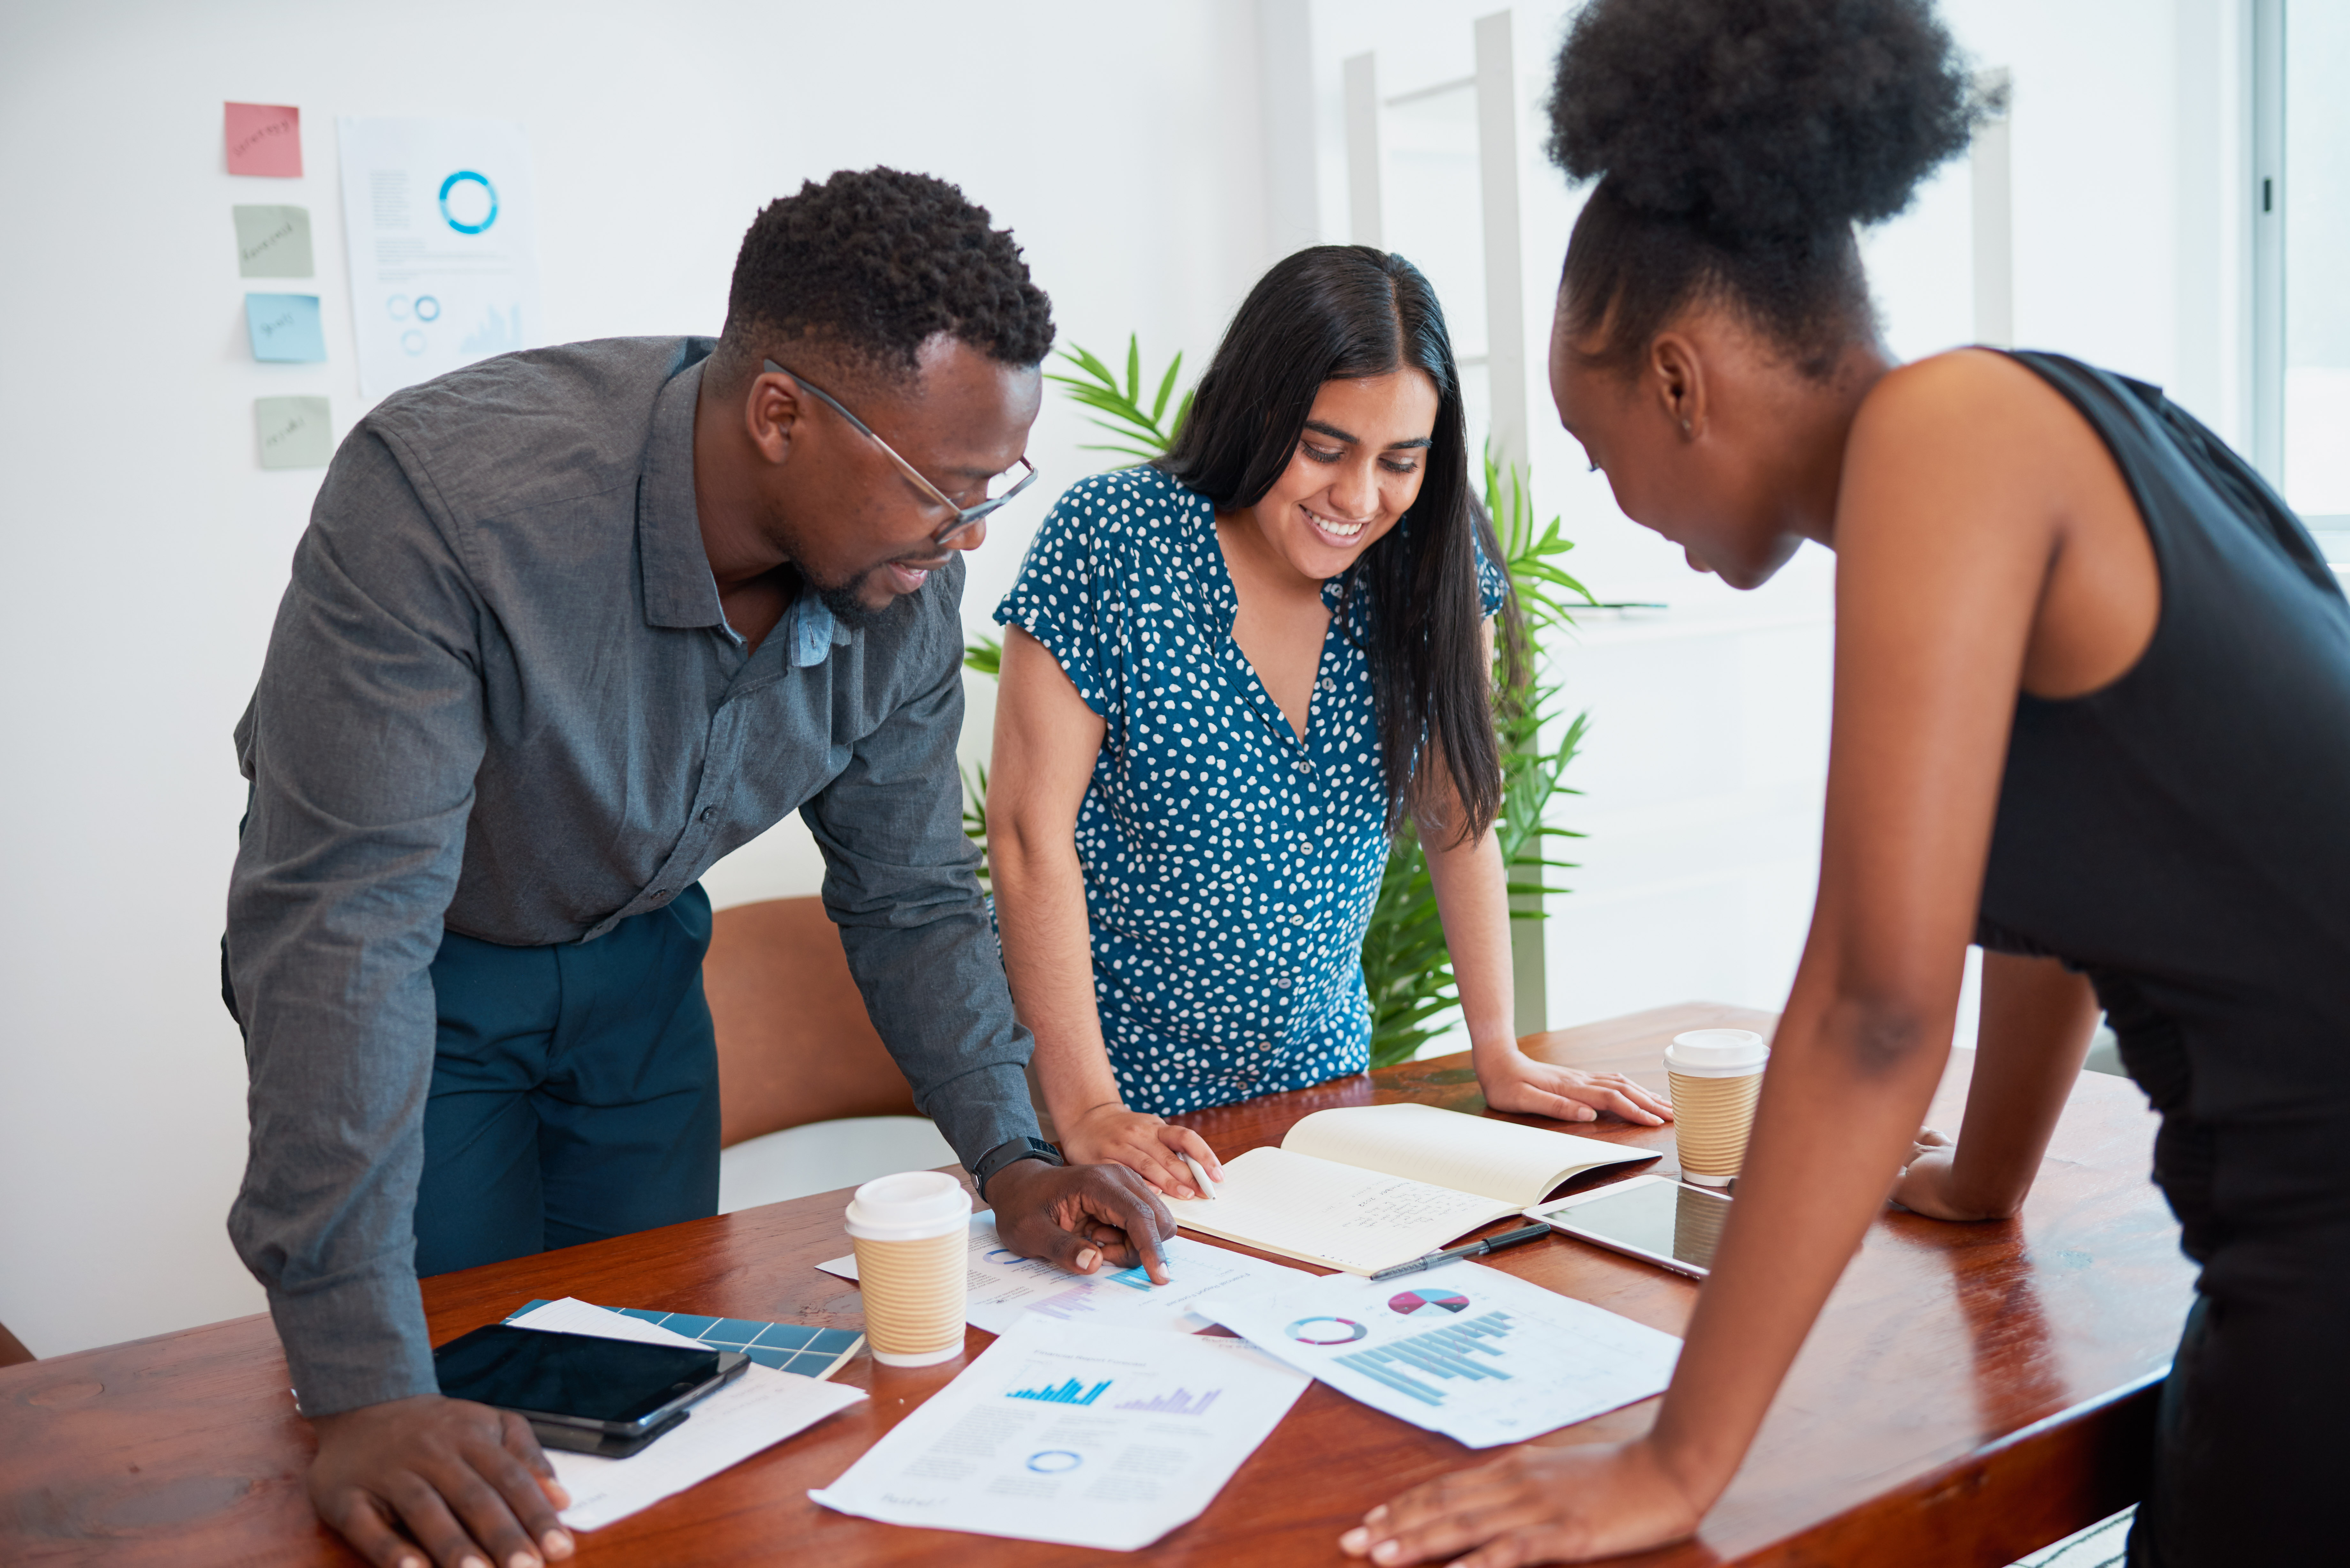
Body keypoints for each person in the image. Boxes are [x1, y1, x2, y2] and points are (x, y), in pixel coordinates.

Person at [1340, 2, 2350, 1565]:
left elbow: (1876, 1009)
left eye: (1601, 455)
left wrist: (1677, 1458)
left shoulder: (1942, 438)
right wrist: (1982, 1176)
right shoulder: (2059, 418)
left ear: (1678, 380)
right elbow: (2056, 881)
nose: (1617, 507)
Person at [224, 168, 1176, 1568]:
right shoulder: (443, 504)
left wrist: (1014, 1153)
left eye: (995, 488)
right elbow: (346, 934)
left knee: (646, 1413)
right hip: (425, 984)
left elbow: (910, 893)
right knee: (440, 1436)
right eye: (941, 486)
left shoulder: (904, 582)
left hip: (643, 984)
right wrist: (367, 1391)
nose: (967, 532)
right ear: (781, 414)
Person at [987, 246, 1670, 1201]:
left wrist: (1499, 1052)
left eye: (1400, 462)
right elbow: (1026, 836)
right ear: (1256, 408)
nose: (1357, 501)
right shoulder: (1115, 539)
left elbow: (1456, 811)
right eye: (1324, 448)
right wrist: (1090, 1111)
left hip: (1319, 1109)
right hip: (1107, 1110)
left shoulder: (1435, 558)